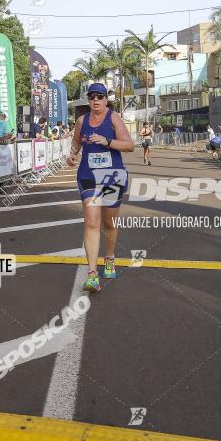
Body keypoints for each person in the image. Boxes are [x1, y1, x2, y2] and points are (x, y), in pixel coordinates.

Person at [69, 83, 134, 292]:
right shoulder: (82, 120)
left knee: (109, 222)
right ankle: (92, 274)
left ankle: (110, 257)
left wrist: (106, 141)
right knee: (92, 220)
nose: (95, 100)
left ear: (106, 99)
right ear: (88, 100)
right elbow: (76, 143)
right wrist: (72, 155)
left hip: (111, 175)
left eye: (100, 96)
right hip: (88, 175)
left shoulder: (113, 118)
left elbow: (129, 145)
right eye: (92, 97)